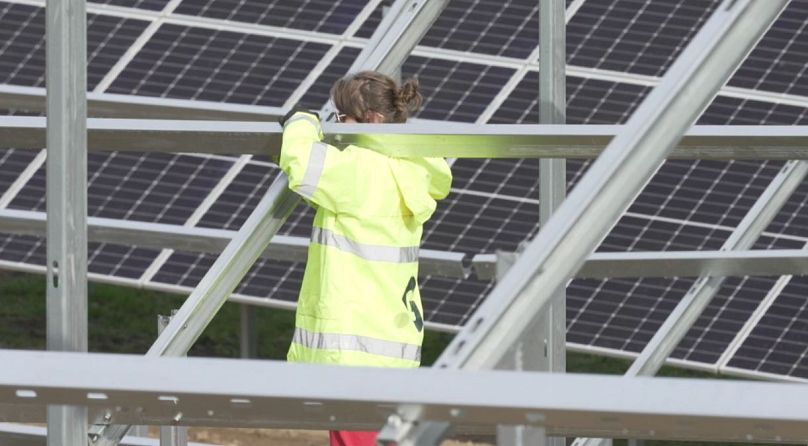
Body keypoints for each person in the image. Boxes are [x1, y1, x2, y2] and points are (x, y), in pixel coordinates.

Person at [277, 70, 452, 446]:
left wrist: (302, 121)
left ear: (372, 121)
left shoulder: (362, 171)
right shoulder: (411, 170)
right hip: (390, 340)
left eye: (342, 119)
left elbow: (301, 163)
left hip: (351, 349)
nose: (337, 129)